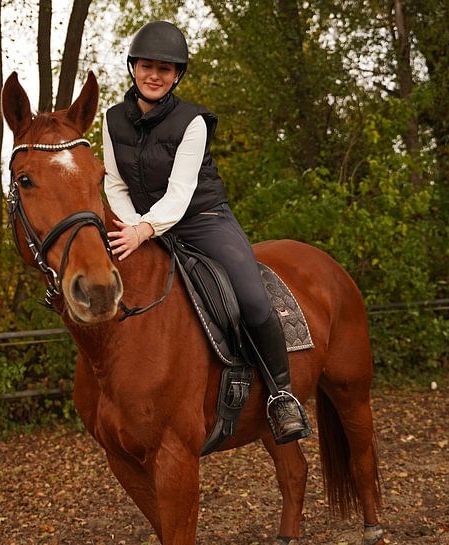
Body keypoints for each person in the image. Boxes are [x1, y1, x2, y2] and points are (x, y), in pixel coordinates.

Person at [102, 20, 311, 445]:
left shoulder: (193, 121)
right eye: (147, 66)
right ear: (133, 68)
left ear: (176, 75)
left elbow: (181, 193)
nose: (154, 75)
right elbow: (114, 183)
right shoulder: (112, 120)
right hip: (139, 224)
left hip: (202, 219)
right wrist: (132, 227)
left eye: (165, 68)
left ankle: (281, 395)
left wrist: (144, 229)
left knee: (252, 298)